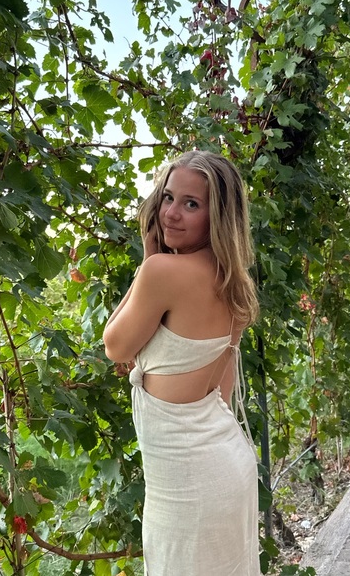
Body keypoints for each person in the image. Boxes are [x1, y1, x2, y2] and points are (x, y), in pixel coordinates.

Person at [103, 150, 260, 575]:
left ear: (218, 216)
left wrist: (148, 261)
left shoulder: (162, 272)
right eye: (168, 197)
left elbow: (115, 346)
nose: (171, 213)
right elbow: (221, 388)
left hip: (187, 483)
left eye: (191, 204)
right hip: (223, 463)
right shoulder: (233, 281)